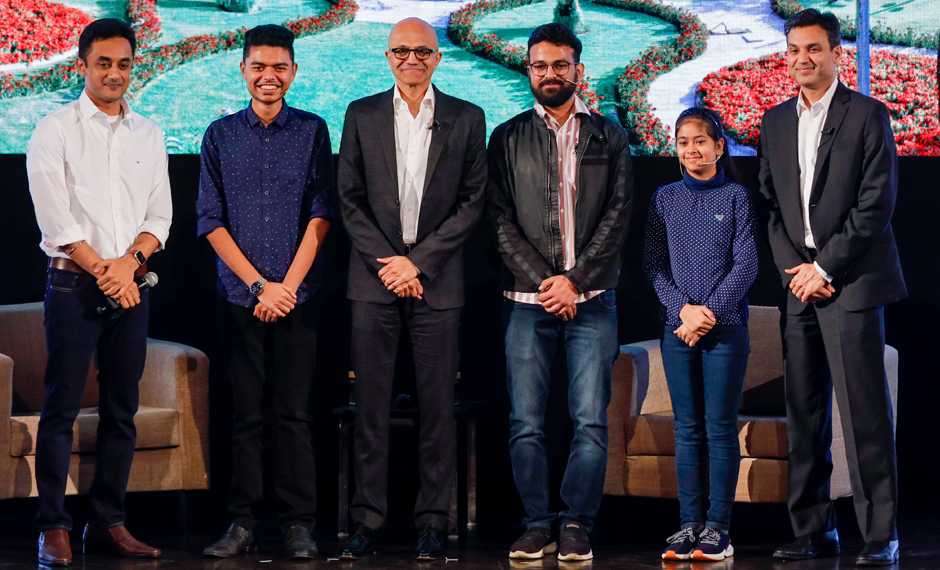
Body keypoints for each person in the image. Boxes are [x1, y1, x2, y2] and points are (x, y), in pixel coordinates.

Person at [758, 9, 906, 567]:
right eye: (794, 49)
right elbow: (770, 205)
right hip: (799, 284)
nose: (802, 59)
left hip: (852, 283)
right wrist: (796, 269)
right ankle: (813, 529)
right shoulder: (774, 121)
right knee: (805, 411)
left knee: (863, 414)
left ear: (836, 53)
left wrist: (826, 269)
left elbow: (876, 206)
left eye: (814, 49)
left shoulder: (869, 115)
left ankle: (878, 534)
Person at [336, 17, 487, 561]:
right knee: (370, 408)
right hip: (373, 279)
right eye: (401, 50)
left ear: (437, 58)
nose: (411, 59)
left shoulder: (468, 118)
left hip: (438, 280)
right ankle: (368, 519)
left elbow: (472, 203)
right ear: (388, 56)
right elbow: (348, 197)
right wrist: (390, 263)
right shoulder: (361, 113)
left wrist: (416, 264)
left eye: (422, 51)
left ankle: (431, 521)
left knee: (436, 408)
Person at [25, 18, 171, 565]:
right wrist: (106, 272)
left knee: (121, 409)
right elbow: (54, 217)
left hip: (131, 286)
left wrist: (129, 266)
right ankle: (53, 527)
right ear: (81, 65)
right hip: (72, 286)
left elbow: (161, 214)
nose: (114, 73)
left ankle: (109, 521)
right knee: (61, 407)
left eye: (124, 63)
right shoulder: (54, 129)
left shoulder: (150, 133)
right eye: (103, 62)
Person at [487, 22, 632, 563]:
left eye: (560, 65)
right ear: (529, 70)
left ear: (578, 71)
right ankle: (535, 523)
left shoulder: (609, 135)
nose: (549, 74)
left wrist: (574, 281)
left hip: (593, 300)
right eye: (539, 65)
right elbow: (499, 222)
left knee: (590, 420)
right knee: (525, 421)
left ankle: (576, 523)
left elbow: (618, 217)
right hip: (526, 303)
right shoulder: (506, 137)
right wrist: (548, 283)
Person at [196, 24, 334, 560]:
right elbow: (209, 220)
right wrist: (259, 286)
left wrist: (288, 289)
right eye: (258, 66)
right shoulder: (219, 134)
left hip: (299, 294)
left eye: (279, 66)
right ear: (243, 70)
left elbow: (322, 215)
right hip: (240, 295)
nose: (268, 76)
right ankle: (242, 522)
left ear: (293, 71)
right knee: (246, 414)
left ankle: (299, 524)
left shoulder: (313, 131)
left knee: (296, 413)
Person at [644, 107, 757, 562]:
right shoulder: (663, 197)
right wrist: (683, 313)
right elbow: (652, 265)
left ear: (719, 146)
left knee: (720, 428)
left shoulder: (736, 196)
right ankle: (689, 525)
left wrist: (707, 313)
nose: (692, 150)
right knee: (687, 429)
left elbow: (746, 264)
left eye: (700, 141)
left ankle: (719, 529)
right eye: (683, 142)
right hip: (678, 330)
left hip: (725, 330)